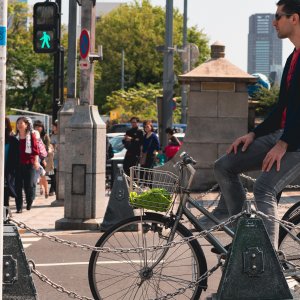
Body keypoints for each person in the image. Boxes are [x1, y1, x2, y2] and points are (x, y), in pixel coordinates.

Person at [214, 0, 300, 250]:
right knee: (225, 165)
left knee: (264, 188)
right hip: (282, 136)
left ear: (294, 18)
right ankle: (245, 237)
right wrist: (253, 134)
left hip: (296, 144)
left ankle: (267, 268)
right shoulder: (292, 59)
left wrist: (283, 144)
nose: (274, 22)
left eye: (278, 16)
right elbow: (282, 108)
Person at [13, 117, 39, 212]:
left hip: (29, 164)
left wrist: (36, 161)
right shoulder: (15, 137)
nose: (19, 125)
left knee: (29, 185)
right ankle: (19, 207)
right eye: (18, 123)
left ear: (26, 125)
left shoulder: (31, 136)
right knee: (18, 186)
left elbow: (36, 150)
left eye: (21, 123)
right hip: (18, 165)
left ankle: (29, 201)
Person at [49, 120, 58, 196]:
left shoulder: (61, 135)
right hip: (51, 157)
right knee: (52, 174)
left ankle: (52, 190)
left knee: (54, 174)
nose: (52, 127)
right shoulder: (52, 135)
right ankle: (53, 189)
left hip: (58, 157)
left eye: (53, 126)